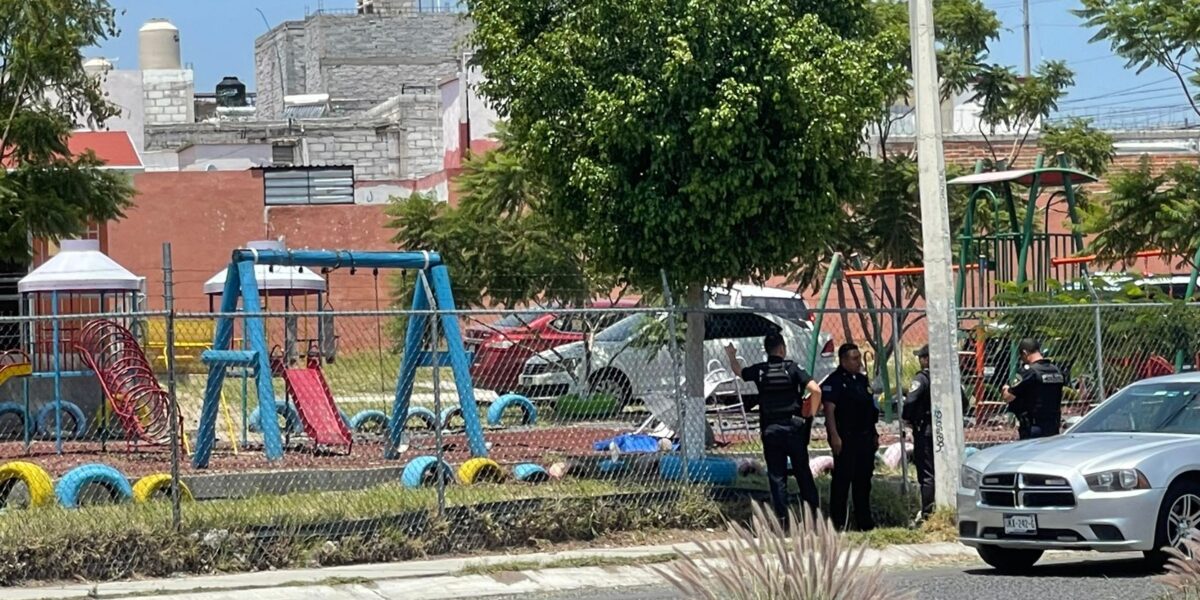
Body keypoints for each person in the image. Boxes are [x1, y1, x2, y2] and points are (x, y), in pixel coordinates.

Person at [725, 332, 822, 525]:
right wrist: (811, 412)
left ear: (767, 351)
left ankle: (782, 522)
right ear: (782, 349)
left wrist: (731, 355)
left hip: (770, 430)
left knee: (777, 477)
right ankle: (814, 518)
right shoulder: (792, 368)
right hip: (794, 428)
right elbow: (816, 390)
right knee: (803, 472)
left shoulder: (760, 370)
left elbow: (739, 372)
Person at [822, 342, 879, 531]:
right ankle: (838, 522)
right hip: (845, 438)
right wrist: (834, 436)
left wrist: (874, 434)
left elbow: (870, 410)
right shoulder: (835, 381)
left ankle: (864, 522)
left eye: (859, 358)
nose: (858, 362)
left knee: (863, 480)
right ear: (843, 360)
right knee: (842, 480)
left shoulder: (862, 381)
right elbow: (829, 410)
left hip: (865, 437)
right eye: (854, 359)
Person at [1002, 338, 1065, 439]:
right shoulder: (1056, 370)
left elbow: (1008, 396)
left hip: (1033, 428)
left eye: (1021, 356)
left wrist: (1006, 389)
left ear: (1025, 353)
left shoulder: (1029, 372)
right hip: (1053, 427)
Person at [902, 344, 935, 521]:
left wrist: (907, 419)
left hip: (925, 430)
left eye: (921, 357)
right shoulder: (947, 377)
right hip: (943, 430)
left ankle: (928, 513)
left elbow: (910, 401)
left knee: (927, 473)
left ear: (926, 359)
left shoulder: (922, 379)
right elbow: (965, 402)